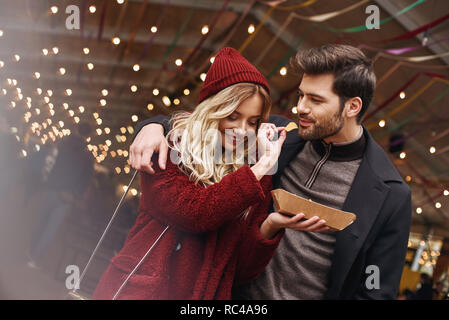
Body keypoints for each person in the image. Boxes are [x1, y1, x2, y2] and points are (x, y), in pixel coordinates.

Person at [130, 44, 412, 299]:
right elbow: (209, 120)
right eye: (301, 95)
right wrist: (153, 126)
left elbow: (376, 293)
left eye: (316, 100)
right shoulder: (280, 137)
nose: (300, 107)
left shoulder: (391, 195)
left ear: (352, 106)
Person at [93, 47, 320, 300]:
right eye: (232, 116)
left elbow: (241, 271)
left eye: (253, 121)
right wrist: (263, 165)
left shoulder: (255, 172)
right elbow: (194, 213)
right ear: (213, 109)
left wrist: (270, 226)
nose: (243, 130)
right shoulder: (168, 148)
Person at [27, 123, 94, 268]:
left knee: (40, 222)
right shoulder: (87, 156)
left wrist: (46, 182)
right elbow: (86, 180)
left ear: (75, 129)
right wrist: (75, 195)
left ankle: (30, 251)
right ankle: (35, 258)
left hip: (51, 189)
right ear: (89, 136)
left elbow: (48, 163)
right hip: (67, 196)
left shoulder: (61, 145)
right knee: (51, 229)